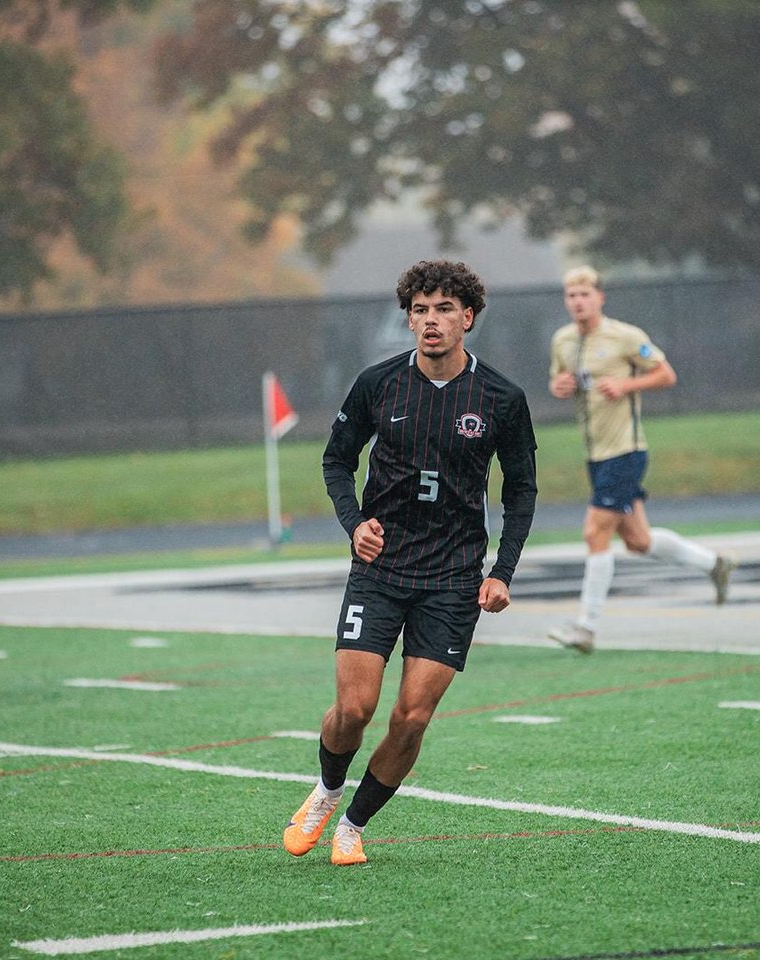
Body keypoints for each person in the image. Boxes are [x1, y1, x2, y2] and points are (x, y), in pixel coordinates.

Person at [283, 260, 537, 866]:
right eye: (420, 310)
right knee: (354, 709)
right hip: (381, 570)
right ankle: (326, 791)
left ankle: (353, 824)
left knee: (412, 717)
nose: (430, 321)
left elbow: (522, 489)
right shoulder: (378, 384)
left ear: (467, 318)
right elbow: (336, 461)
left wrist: (502, 571)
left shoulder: (501, 398)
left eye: (444, 309)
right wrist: (355, 524)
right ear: (408, 319)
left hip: (452, 579)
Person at [546, 266, 736, 655]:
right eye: (572, 295)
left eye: (585, 294)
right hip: (595, 454)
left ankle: (586, 627)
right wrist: (559, 386)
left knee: (594, 532)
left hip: (625, 450)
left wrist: (626, 384)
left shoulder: (625, 336)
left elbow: (666, 375)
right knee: (637, 541)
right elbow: (560, 379)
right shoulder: (563, 340)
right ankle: (714, 563)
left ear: (600, 298)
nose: (578, 302)